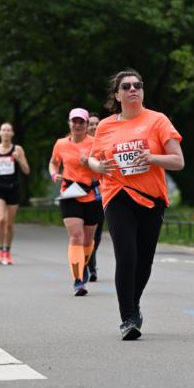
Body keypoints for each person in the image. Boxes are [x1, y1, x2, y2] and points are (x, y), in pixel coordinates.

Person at [87, 69, 184, 339]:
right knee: (126, 256)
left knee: (144, 261)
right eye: (126, 86)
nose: (133, 89)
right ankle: (128, 317)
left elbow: (178, 161)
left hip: (151, 198)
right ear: (117, 95)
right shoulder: (105, 126)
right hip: (117, 193)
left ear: (142, 90)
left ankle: (134, 302)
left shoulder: (158, 120)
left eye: (137, 85)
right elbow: (94, 160)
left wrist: (152, 157)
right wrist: (99, 165)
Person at [49, 108, 98, 296]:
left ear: (87, 125)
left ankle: (83, 265)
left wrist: (90, 164)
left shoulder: (96, 143)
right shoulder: (61, 144)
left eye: (81, 122)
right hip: (70, 193)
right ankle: (78, 281)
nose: (77, 125)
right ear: (69, 123)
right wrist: (54, 174)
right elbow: (53, 162)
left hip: (92, 194)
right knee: (75, 237)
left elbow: (105, 169)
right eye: (74, 121)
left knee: (87, 239)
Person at [0, 122, 30, 265]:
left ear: (12, 134)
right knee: (1, 220)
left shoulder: (17, 149)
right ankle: (0, 251)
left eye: (8, 130)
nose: (5, 133)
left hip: (13, 188)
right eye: (3, 130)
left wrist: (18, 159)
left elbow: (26, 170)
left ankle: (7, 252)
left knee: (10, 224)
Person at [85, 113, 105, 281]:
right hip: (81, 191)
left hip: (101, 192)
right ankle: (88, 263)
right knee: (85, 232)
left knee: (97, 232)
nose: (93, 127)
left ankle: (91, 260)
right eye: (90, 124)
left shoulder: (106, 141)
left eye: (96, 123)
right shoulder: (78, 142)